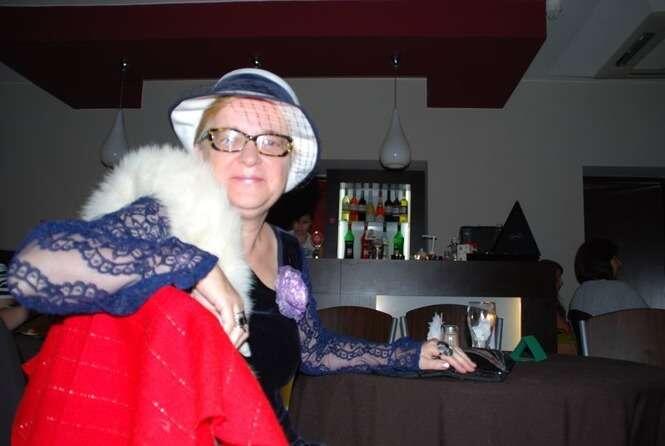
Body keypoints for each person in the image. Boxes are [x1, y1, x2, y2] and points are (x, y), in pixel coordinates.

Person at [8, 68, 475, 444]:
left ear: (289, 165)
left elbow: (314, 350)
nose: (251, 157)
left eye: (271, 141)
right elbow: (35, 270)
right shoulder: (165, 218)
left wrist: (409, 354)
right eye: (228, 137)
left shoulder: (288, 251)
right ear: (199, 153)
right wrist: (193, 264)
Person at [569, 238, 648, 317]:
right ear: (603, 262)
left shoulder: (578, 294)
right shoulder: (619, 290)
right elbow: (649, 319)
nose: (619, 263)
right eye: (615, 258)